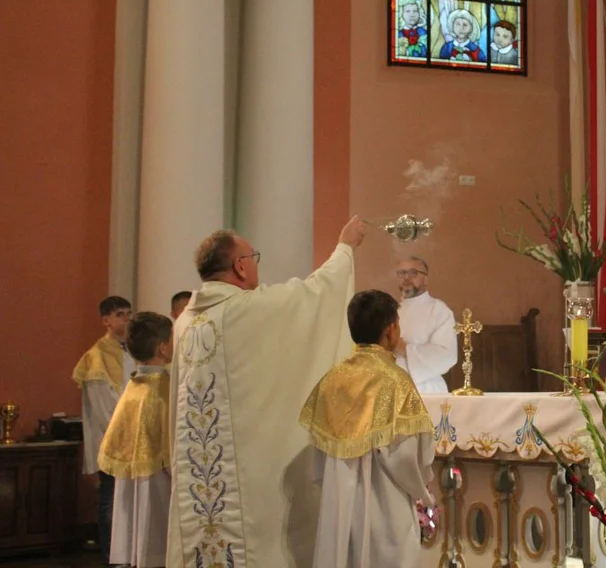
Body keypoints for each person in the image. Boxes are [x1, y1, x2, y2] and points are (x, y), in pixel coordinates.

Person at [165, 217, 367, 568]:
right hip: (248, 488)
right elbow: (315, 293)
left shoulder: (185, 321)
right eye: (253, 256)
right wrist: (345, 248)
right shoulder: (243, 309)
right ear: (240, 266)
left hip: (199, 481)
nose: (256, 264)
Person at [300, 290, 435, 567]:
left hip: (338, 502)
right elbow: (407, 457)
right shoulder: (396, 381)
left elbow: (318, 460)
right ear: (390, 330)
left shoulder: (332, 379)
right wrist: (422, 489)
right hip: (386, 504)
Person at [98, 312, 173, 568]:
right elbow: (172, 443)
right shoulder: (164, 390)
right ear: (163, 348)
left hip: (131, 478)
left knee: (137, 544)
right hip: (158, 481)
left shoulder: (133, 387)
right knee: (155, 546)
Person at [72, 295, 135, 564]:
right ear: (106, 320)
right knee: (110, 501)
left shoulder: (132, 351)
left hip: (135, 439)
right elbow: (104, 409)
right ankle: (112, 554)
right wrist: (125, 433)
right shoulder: (95, 359)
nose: (126, 319)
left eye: (129, 313)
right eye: (120, 314)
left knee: (130, 503)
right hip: (113, 440)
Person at [395, 256, 458, 394]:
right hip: (392, 388)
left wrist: (403, 348)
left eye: (413, 273)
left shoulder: (440, 311)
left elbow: (446, 355)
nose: (406, 278)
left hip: (425, 389)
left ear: (425, 279)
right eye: (402, 273)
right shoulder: (390, 310)